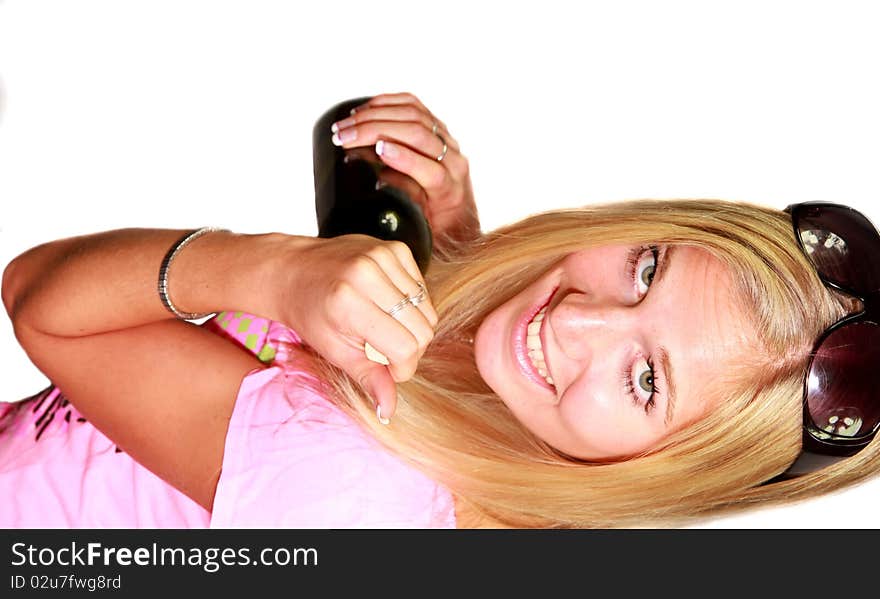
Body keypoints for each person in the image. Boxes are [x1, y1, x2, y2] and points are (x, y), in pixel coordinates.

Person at [1, 93, 878, 529]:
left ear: (666, 471)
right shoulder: (518, 491)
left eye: (647, 379)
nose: (576, 320)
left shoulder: (346, 480)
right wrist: (456, 250)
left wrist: (270, 270)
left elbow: (40, 301)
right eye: (645, 268)